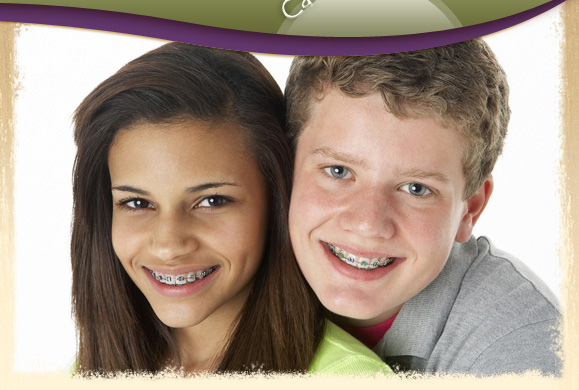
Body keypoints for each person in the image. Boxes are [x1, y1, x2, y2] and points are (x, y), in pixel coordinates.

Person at [70, 42, 391, 375]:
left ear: (276, 200)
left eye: (212, 201)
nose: (168, 245)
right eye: (137, 203)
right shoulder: (86, 369)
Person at [284, 39, 562, 376]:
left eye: (417, 189)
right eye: (338, 171)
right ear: (286, 164)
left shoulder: (522, 345)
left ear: (470, 209)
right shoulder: (234, 266)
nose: (367, 224)